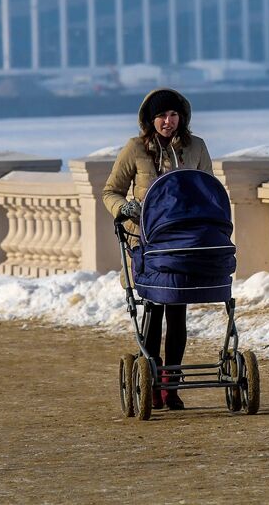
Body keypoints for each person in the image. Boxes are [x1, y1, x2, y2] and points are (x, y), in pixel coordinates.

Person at [103, 87, 213, 410]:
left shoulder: (196, 148)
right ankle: (150, 377)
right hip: (147, 243)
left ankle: (170, 383)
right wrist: (125, 209)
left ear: (183, 117)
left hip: (183, 242)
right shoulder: (136, 149)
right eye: (162, 116)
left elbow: (207, 187)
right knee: (153, 310)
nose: (169, 121)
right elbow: (111, 191)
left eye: (174, 115)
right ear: (151, 120)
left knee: (178, 313)